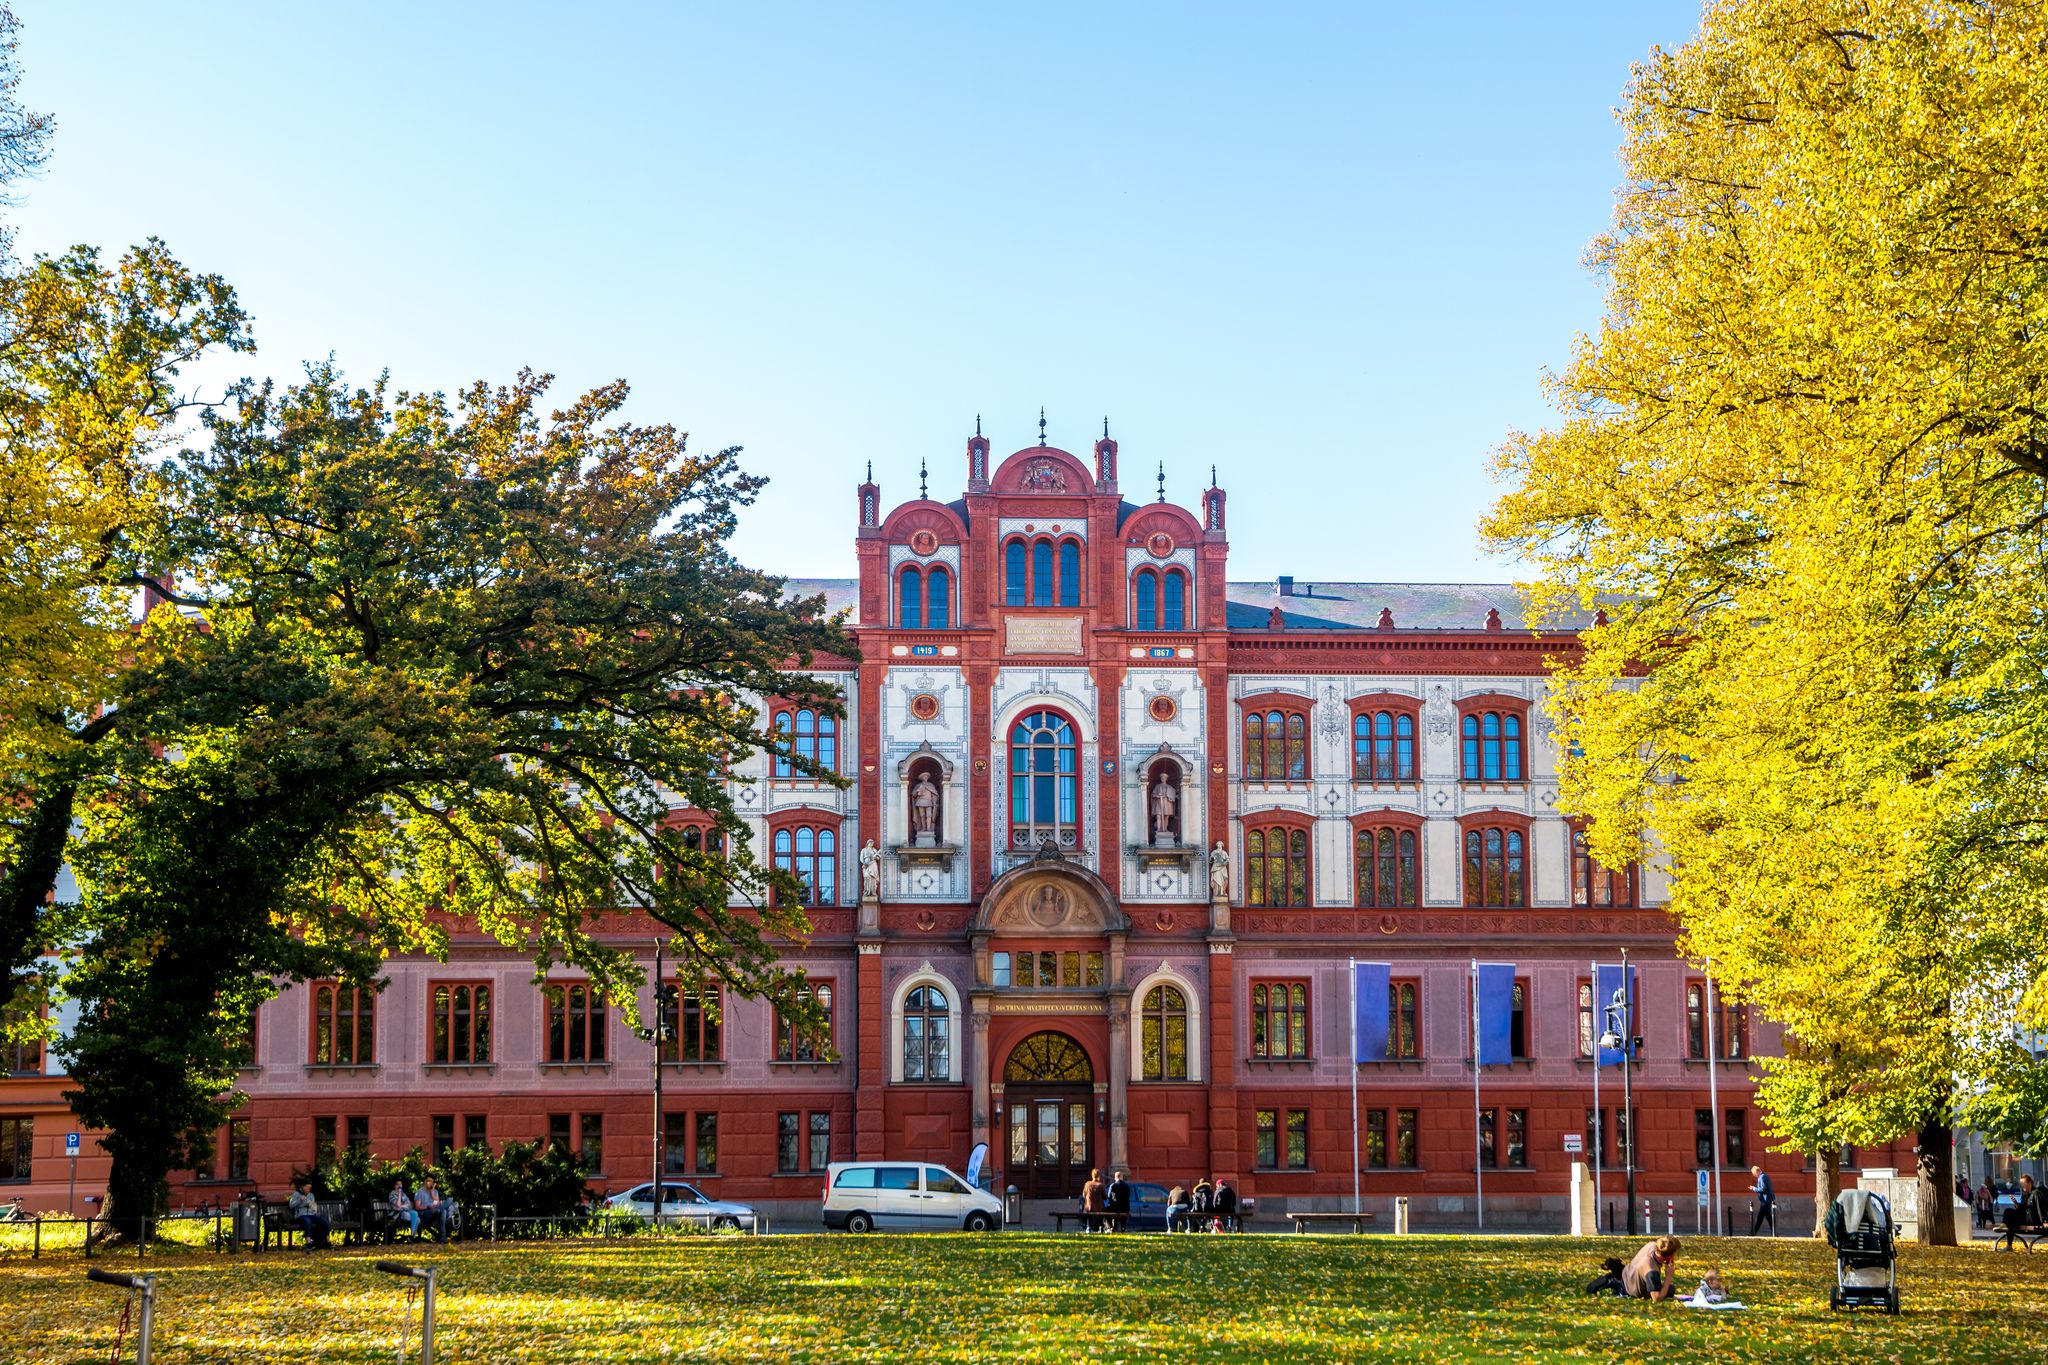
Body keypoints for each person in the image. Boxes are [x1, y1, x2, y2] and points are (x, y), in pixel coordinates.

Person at [1620, 1235, 1682, 1301]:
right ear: (1669, 1256)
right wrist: (1668, 1276)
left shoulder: (1652, 1245)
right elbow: (1657, 1298)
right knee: (1670, 1290)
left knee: (1669, 1289)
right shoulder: (1652, 1270)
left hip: (1626, 1276)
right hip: (1629, 1289)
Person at [287, 1177, 331, 1250]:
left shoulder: (311, 1195)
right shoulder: (296, 1194)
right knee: (308, 1221)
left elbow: (313, 1206)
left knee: (324, 1222)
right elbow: (291, 1205)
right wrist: (299, 1200)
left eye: (310, 1188)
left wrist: (312, 1206)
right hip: (301, 1216)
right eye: (307, 1188)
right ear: (302, 1187)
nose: (308, 1189)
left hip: (311, 1215)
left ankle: (327, 1241)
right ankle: (309, 1243)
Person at [414, 1175, 456, 1243]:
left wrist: (432, 1192)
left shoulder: (435, 1191)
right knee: (443, 1211)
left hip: (436, 1211)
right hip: (425, 1212)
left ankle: (442, 1239)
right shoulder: (419, 1192)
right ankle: (442, 1238)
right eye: (428, 1181)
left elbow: (437, 1203)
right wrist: (428, 1207)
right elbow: (417, 1207)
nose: (430, 1183)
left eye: (431, 1181)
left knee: (448, 1203)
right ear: (425, 1181)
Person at [1748, 1165, 1775, 1236]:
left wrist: (1754, 1188)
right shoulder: (1764, 1176)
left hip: (1766, 1201)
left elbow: (1763, 1189)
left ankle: (1753, 1233)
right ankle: (1774, 1232)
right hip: (1766, 1200)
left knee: (1762, 1218)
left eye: (1754, 1174)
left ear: (1757, 1172)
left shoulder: (1762, 1177)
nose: (1754, 1176)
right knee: (1765, 1218)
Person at [1079, 1168, 1107, 1233]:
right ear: (1099, 1176)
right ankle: (1101, 1227)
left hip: (1089, 1207)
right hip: (1099, 1208)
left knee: (1088, 1209)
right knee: (1102, 1209)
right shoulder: (1100, 1185)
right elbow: (1105, 1197)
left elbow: (1083, 1195)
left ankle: (1088, 1227)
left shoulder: (1087, 1184)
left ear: (1092, 1175)